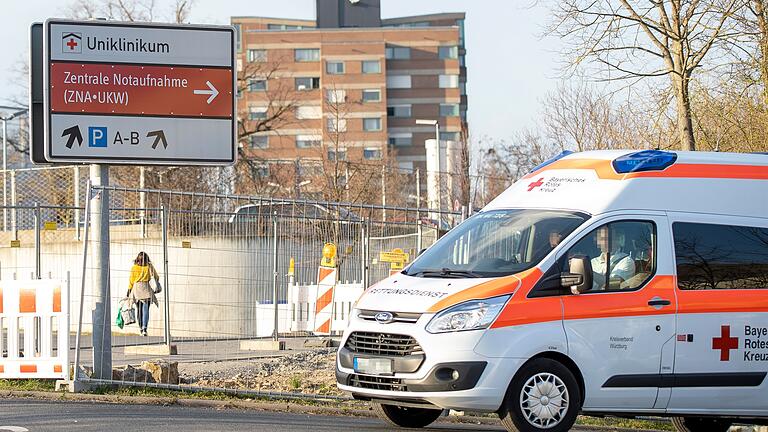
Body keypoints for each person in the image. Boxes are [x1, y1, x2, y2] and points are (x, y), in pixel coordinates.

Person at [127, 252, 160, 336]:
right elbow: (156, 276)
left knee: (139, 310)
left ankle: (141, 328)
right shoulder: (149, 266)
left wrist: (128, 291)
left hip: (137, 290)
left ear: (138, 259)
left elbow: (131, 281)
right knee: (146, 310)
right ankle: (145, 328)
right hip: (146, 289)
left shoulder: (134, 268)